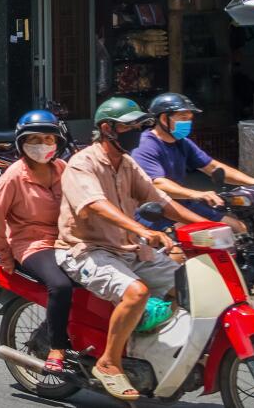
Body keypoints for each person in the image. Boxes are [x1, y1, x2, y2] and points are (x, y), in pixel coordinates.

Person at [58, 97, 204, 401]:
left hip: (127, 248)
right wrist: (142, 230)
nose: (137, 130)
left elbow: (162, 201)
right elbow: (95, 205)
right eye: (130, 125)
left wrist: (205, 226)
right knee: (135, 292)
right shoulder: (81, 164)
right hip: (88, 249)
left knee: (188, 284)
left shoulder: (127, 163)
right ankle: (109, 362)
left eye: (139, 125)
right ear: (107, 128)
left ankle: (143, 352)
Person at [0, 110, 73, 373]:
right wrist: (3, 253)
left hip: (65, 242)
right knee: (60, 285)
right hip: (32, 245)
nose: (42, 145)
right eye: (34, 139)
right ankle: (57, 347)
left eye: (48, 139)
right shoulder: (14, 176)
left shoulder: (62, 168)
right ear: (22, 142)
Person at [132, 92, 254, 232]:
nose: (187, 123)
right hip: (158, 209)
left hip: (184, 202)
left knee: (239, 228)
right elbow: (158, 183)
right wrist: (196, 194)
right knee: (201, 239)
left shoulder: (182, 143)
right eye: (183, 118)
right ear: (164, 119)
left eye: (190, 119)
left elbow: (213, 167)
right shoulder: (146, 146)